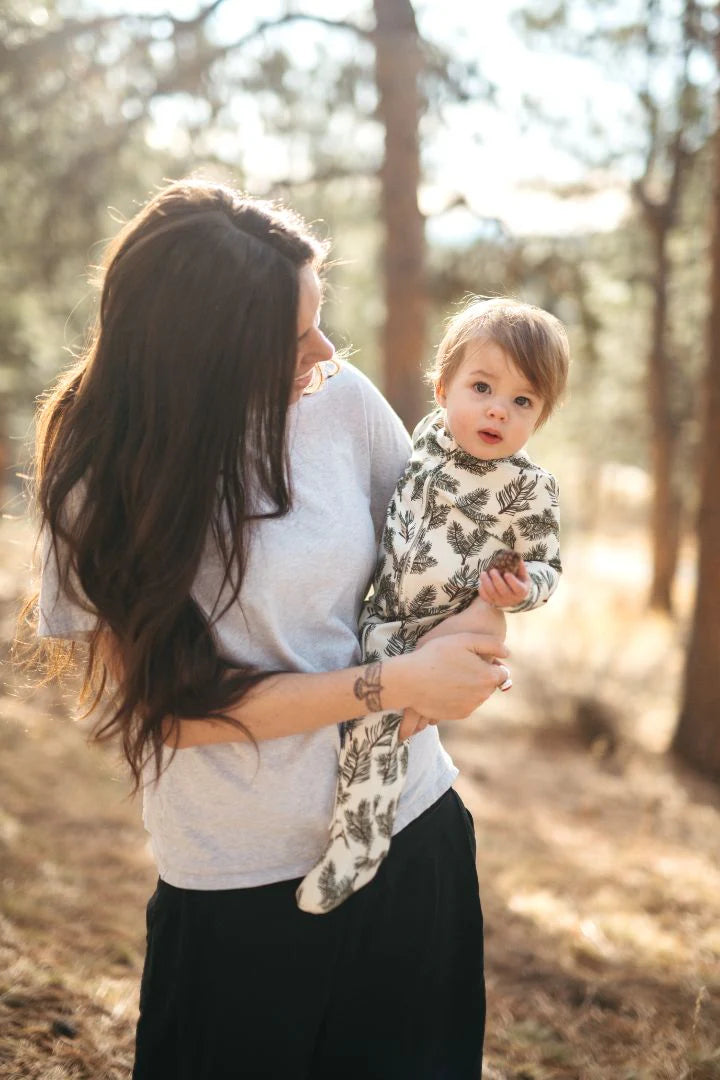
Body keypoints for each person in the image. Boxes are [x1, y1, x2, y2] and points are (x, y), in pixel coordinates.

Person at [31, 179, 511, 1080]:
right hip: (239, 885)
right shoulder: (97, 474)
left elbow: (445, 554)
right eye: (293, 338)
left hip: (413, 838)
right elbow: (168, 712)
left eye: (318, 319)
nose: (326, 351)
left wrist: (472, 642)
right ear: (203, 353)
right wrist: (391, 685)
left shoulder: (339, 400)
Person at [297, 297, 569, 914]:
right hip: (381, 613)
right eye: (482, 388)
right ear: (443, 389)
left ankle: (357, 850)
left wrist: (521, 589)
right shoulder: (425, 437)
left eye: (523, 401)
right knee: (344, 718)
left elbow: (549, 567)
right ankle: (332, 824)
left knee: (377, 732)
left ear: (540, 417)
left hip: (439, 629)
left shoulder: (529, 487)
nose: (498, 409)